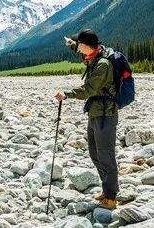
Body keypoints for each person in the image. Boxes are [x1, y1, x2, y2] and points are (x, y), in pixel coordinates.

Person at [54, 28, 118, 210]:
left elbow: (89, 89)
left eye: (80, 45)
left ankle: (111, 197)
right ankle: (107, 190)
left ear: (87, 46)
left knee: (106, 156)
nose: (79, 49)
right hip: (95, 112)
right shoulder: (93, 56)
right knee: (94, 153)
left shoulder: (102, 64)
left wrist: (66, 94)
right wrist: (71, 44)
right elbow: (80, 51)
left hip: (106, 114)